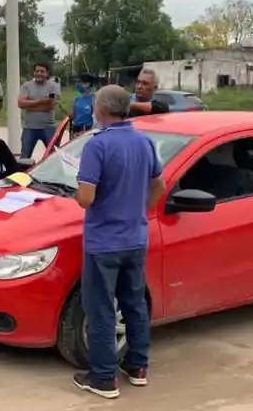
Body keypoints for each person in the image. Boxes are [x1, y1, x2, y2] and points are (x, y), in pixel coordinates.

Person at [72, 85, 166, 399]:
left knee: (100, 310)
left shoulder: (96, 146)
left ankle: (103, 378)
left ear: (99, 110)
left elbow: (86, 198)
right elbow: (158, 185)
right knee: (134, 304)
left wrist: (79, 192)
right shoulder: (144, 141)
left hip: (103, 243)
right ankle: (137, 367)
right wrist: (139, 210)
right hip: (135, 237)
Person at [17, 62, 61, 158]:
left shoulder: (53, 86)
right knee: (24, 157)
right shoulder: (26, 86)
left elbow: (50, 104)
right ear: (33, 72)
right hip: (29, 127)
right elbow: (20, 103)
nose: (39, 73)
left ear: (47, 73)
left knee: (53, 156)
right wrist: (40, 101)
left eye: (42, 71)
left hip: (48, 127)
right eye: (37, 71)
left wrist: (29, 104)